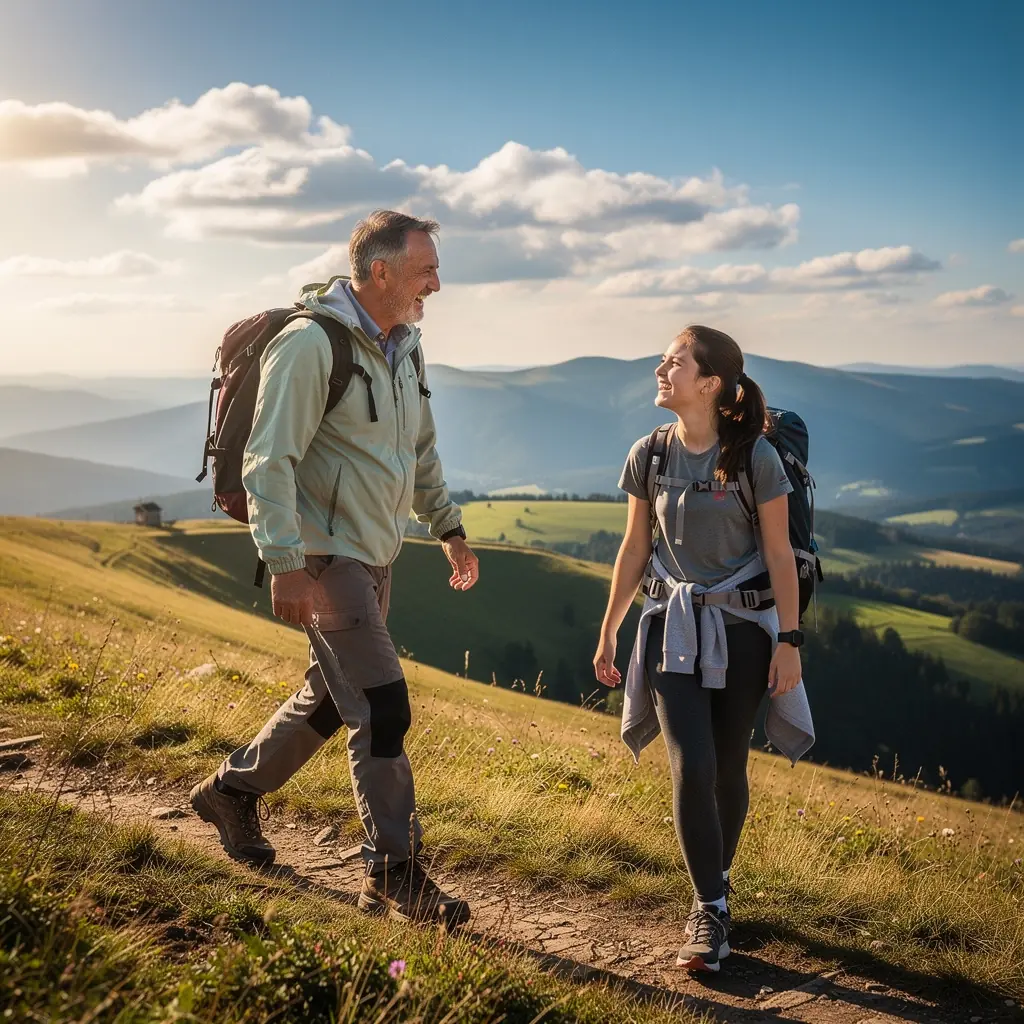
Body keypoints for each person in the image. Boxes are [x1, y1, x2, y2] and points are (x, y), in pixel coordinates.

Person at [190, 210, 479, 928]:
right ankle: (394, 872)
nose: (436, 284)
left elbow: (418, 450)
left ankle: (229, 793)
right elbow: (269, 460)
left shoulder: (405, 345)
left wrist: (448, 528)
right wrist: (286, 563)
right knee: (383, 707)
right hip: (323, 556)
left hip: (376, 554)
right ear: (380, 271)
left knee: (328, 701)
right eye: (425, 271)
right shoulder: (310, 343)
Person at [594, 326, 814, 973]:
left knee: (726, 767)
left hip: (744, 631)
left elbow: (780, 554)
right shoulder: (650, 453)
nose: (661, 369)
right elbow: (635, 547)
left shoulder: (755, 458)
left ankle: (715, 885)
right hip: (671, 627)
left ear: (711, 382)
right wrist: (610, 629)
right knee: (691, 765)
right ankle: (710, 909)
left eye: (675, 361)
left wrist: (790, 641)